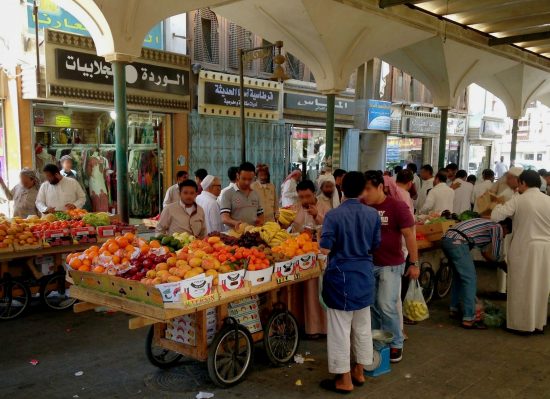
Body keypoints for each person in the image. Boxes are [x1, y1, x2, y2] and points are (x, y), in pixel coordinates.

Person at [319, 171, 381, 394]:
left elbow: (325, 248)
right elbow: (375, 245)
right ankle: (360, 371)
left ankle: (344, 379)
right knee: (363, 326)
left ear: (341, 188)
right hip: (364, 275)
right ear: (363, 190)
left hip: (342, 277)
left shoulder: (334, 216)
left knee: (340, 329)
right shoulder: (372, 214)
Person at [362, 171, 419, 363]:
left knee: (387, 305)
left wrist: (414, 263)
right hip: (368, 264)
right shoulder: (362, 206)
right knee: (372, 306)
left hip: (391, 265)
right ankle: (378, 342)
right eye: (363, 190)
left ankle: (396, 343)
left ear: (380, 187)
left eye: (368, 189)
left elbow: (410, 236)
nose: (365, 193)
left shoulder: (396, 206)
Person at [491, 170, 550, 334]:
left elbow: (496, 216)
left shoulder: (519, 200)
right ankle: (537, 324)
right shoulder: (548, 200)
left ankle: (521, 325)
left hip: (525, 248)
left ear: (523, 183)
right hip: (545, 250)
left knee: (520, 286)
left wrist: (498, 204)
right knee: (540, 287)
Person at [441, 218, 512, 329]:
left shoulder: (486, 230)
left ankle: (454, 309)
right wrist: (504, 265)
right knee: (470, 278)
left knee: (459, 277)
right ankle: (469, 319)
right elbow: (496, 254)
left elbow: (485, 253)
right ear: (505, 227)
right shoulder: (497, 227)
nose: (504, 236)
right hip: (458, 242)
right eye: (506, 234)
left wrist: (496, 264)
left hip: (447, 240)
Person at [220, 162, 264, 230]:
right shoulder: (228, 194)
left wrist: (260, 222)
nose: (247, 182)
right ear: (237, 175)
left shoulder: (255, 194)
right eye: (244, 179)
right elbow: (224, 218)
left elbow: (261, 215)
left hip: (252, 235)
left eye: (250, 179)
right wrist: (235, 223)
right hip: (234, 236)